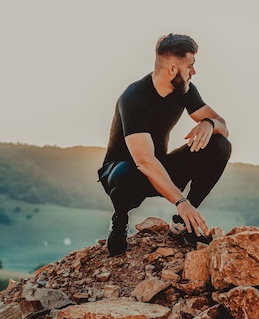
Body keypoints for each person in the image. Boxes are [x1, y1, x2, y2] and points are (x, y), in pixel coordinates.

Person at [98, 33, 231, 255]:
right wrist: (181, 201)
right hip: (125, 175)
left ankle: (184, 224)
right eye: (190, 66)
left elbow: (222, 125)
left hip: (160, 169)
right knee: (126, 171)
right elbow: (144, 161)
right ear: (172, 70)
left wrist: (208, 123)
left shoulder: (185, 90)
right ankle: (120, 219)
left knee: (220, 145)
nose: (194, 72)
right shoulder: (133, 98)